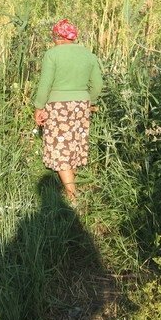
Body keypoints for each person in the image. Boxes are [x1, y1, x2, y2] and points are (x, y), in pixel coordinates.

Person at [33, 19, 103, 202]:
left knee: (60, 147)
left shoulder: (52, 54)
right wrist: (91, 101)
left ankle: (72, 196)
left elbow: (45, 84)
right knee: (74, 144)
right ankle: (71, 186)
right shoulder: (89, 55)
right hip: (81, 104)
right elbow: (97, 84)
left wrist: (39, 106)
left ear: (57, 36)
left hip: (57, 106)